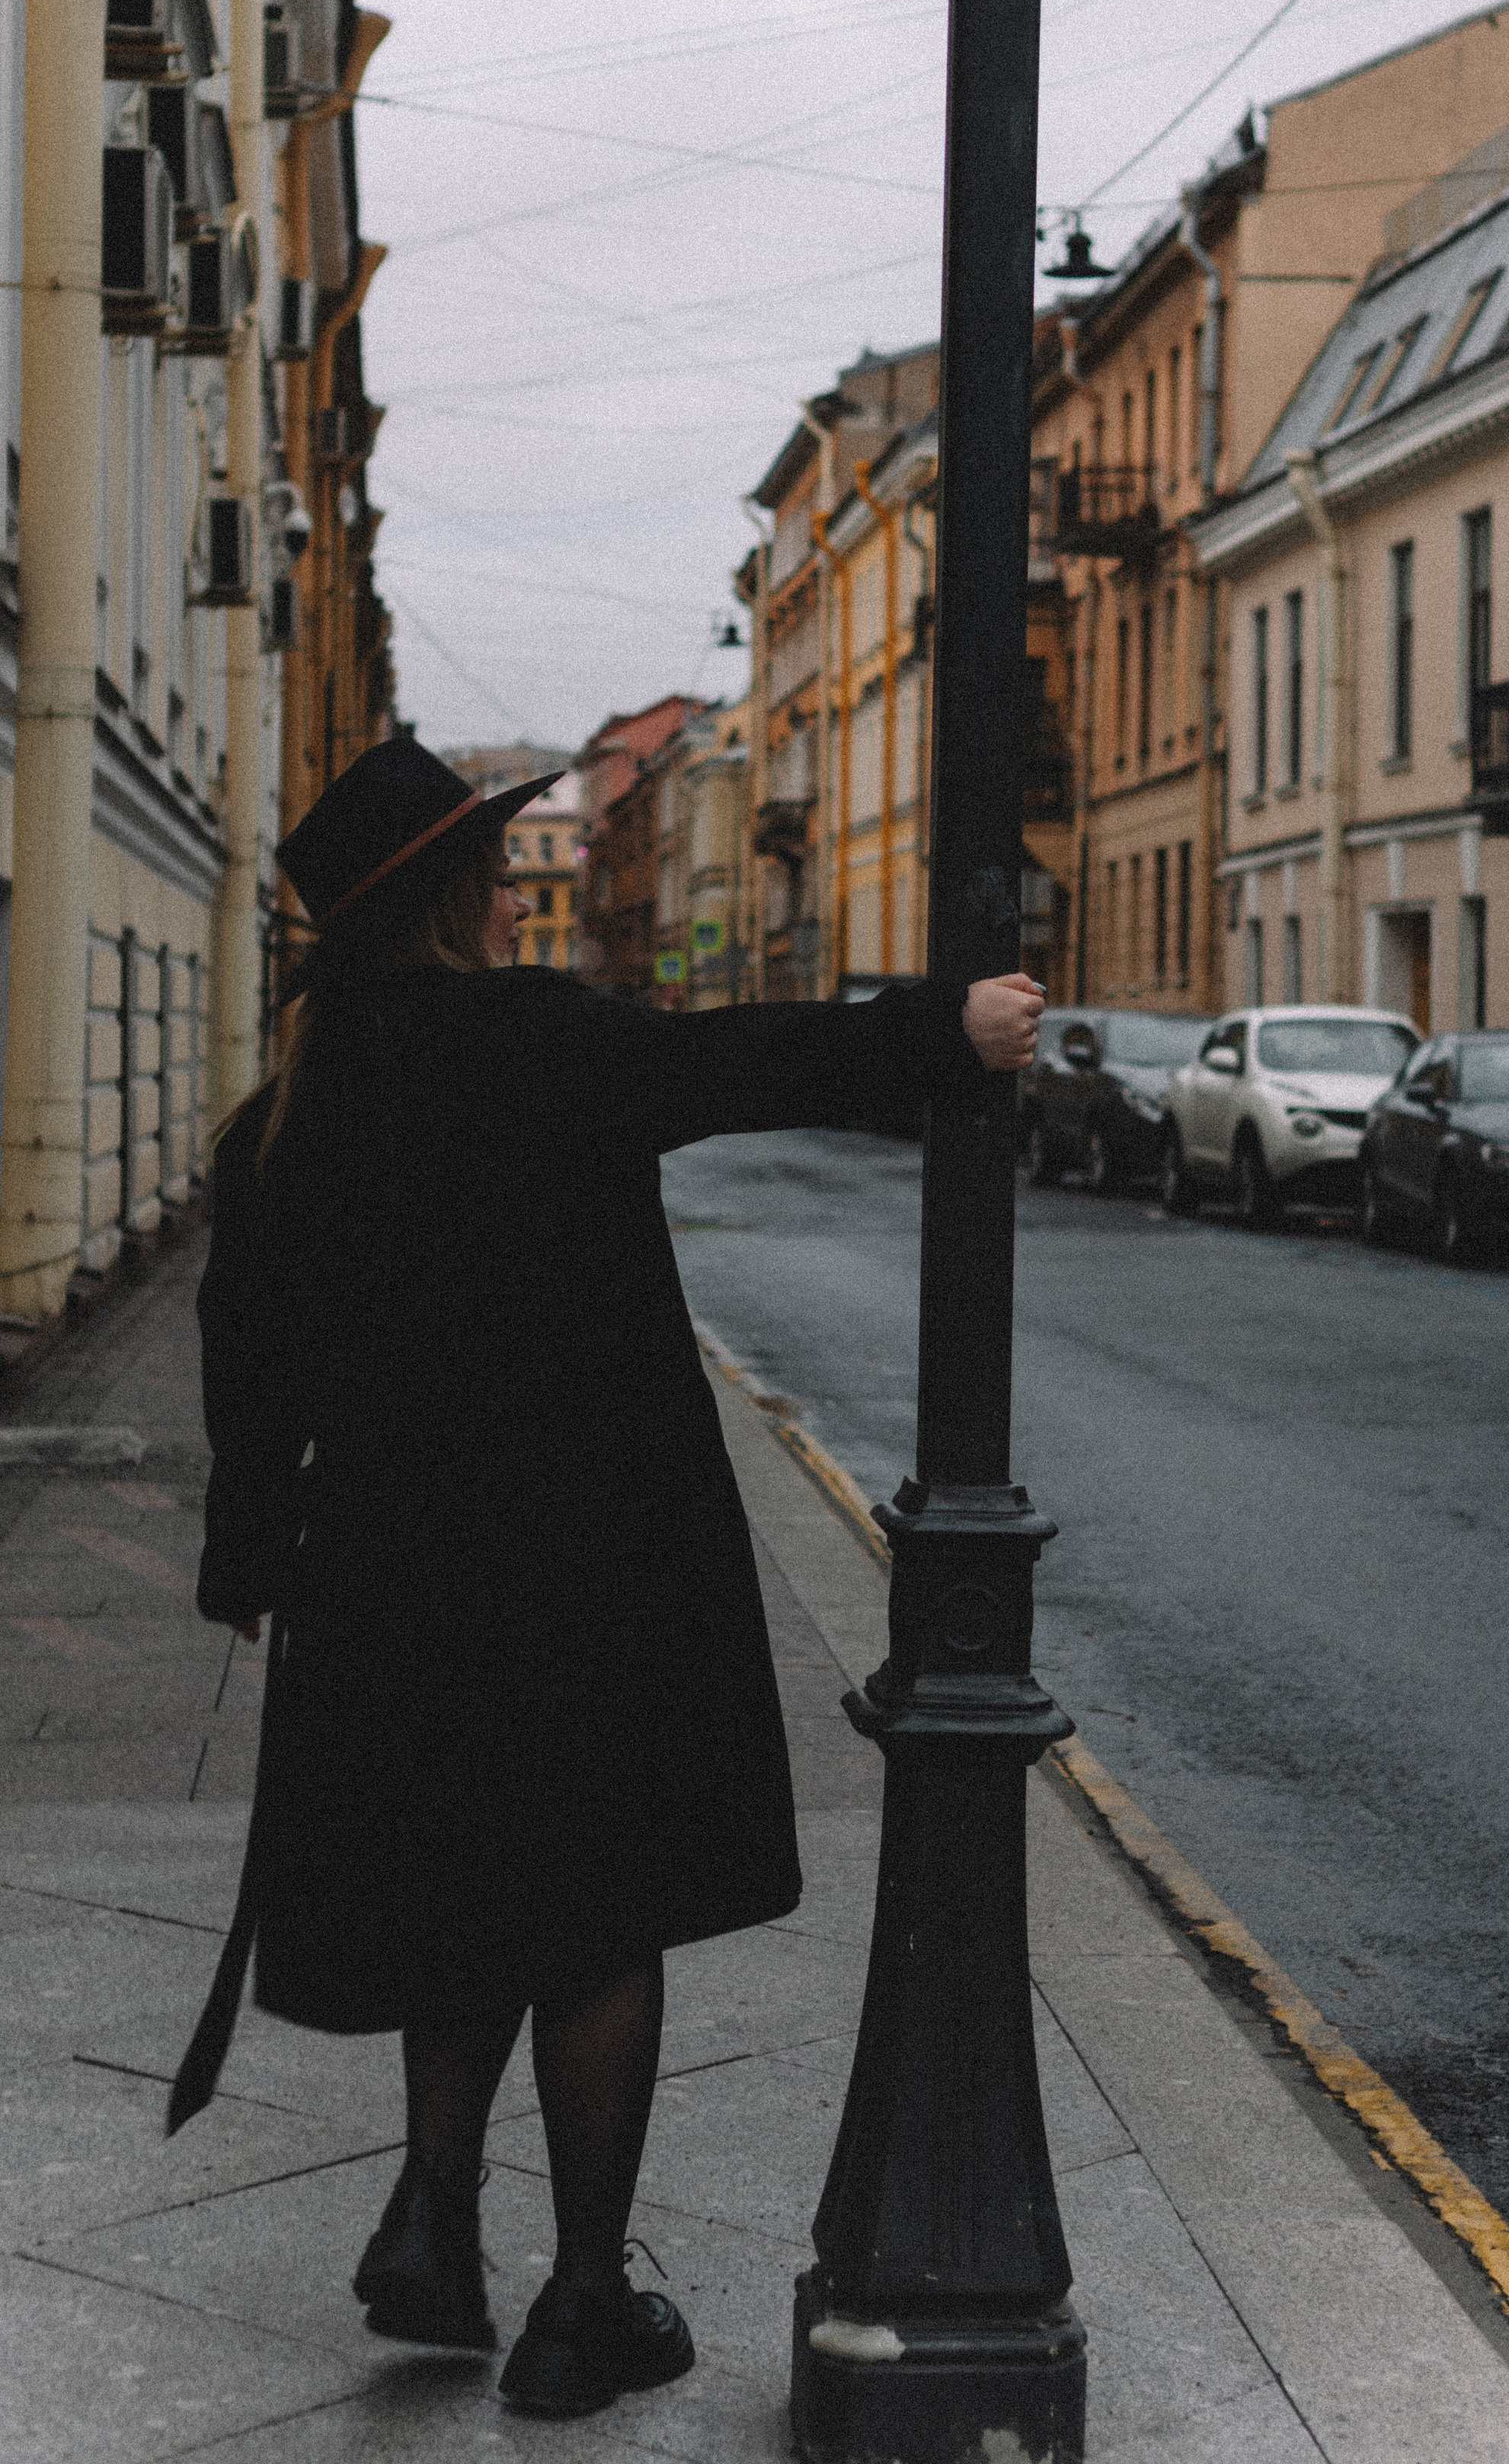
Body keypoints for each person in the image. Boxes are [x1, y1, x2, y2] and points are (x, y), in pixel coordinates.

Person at [177, 736, 1042, 2420]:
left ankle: (435, 2226)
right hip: (590, 1557)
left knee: (455, 1885)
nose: (518, 896)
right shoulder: (535, 1041)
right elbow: (738, 1062)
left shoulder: (288, 1104)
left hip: (390, 1569)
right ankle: (583, 2304)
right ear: (454, 901)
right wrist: (942, 1031)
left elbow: (244, 1358)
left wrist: (250, 1550)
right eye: (495, 875)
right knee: (593, 1913)